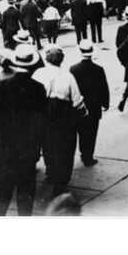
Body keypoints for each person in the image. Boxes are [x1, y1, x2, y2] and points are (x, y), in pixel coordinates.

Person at [0, 44, 49, 216]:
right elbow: (42, 121)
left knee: (4, 191)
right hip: (28, 149)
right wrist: (40, 146)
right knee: (26, 191)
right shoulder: (37, 88)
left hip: (6, 148)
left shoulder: (3, 85)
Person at [33, 46, 87, 197]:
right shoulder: (68, 76)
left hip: (44, 113)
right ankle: (61, 182)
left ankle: (50, 169)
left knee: (47, 144)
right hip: (63, 115)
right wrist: (84, 113)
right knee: (66, 149)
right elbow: (77, 100)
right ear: (61, 60)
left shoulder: (39, 73)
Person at [69, 40, 110, 167]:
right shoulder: (98, 69)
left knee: (81, 130)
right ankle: (88, 155)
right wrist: (105, 102)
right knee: (92, 132)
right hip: (94, 105)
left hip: (79, 105)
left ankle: (82, 152)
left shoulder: (73, 69)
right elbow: (104, 87)